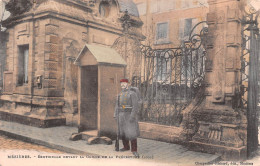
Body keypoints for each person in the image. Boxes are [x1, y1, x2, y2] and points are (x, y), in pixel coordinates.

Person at [114, 78, 140, 157]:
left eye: (124, 83)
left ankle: (134, 150)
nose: (122, 85)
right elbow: (116, 106)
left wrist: (132, 116)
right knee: (123, 132)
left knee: (132, 133)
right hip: (121, 115)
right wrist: (115, 114)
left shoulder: (132, 94)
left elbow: (135, 106)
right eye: (121, 83)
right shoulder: (119, 94)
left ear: (128, 84)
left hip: (129, 115)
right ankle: (126, 146)